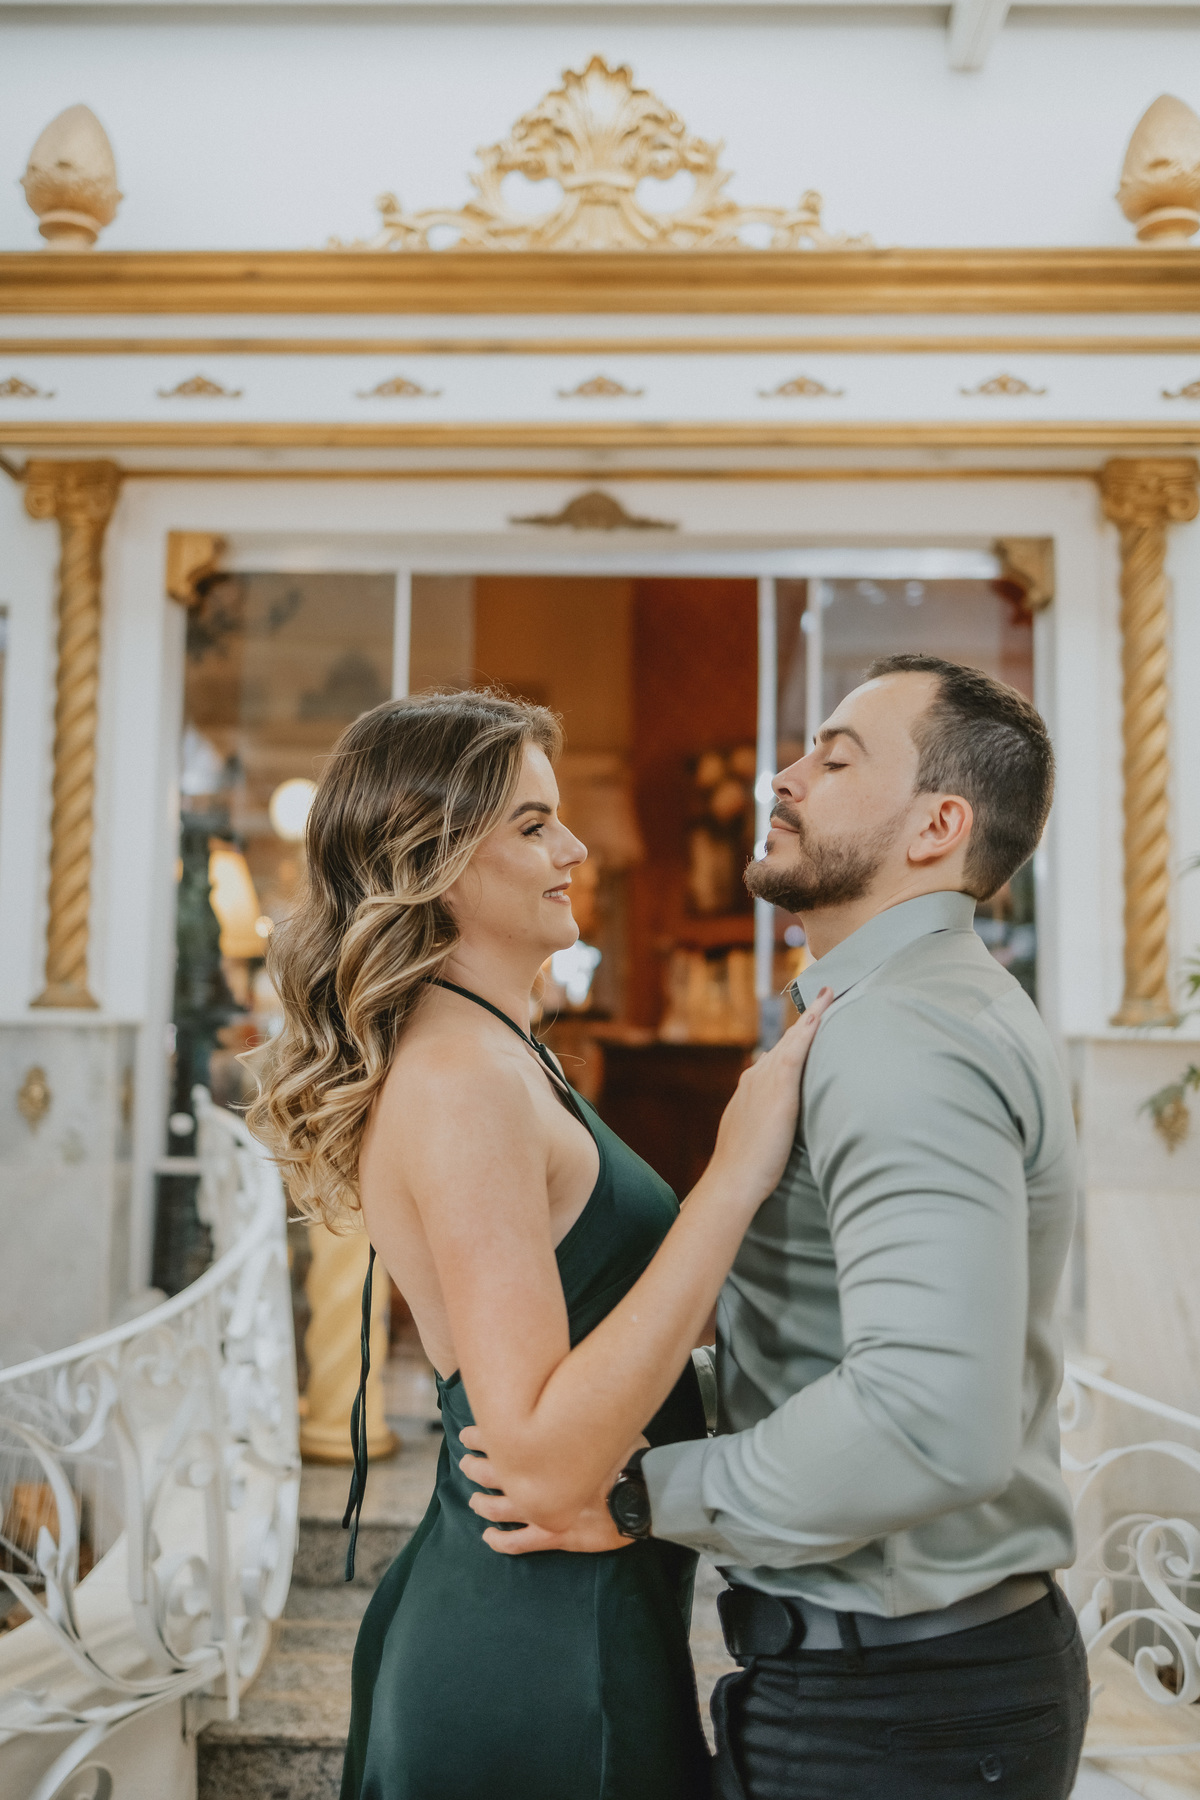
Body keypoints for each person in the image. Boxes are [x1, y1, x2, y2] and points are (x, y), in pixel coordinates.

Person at [468, 655, 1088, 1800]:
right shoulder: (901, 1010)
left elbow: (929, 1422)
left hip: (901, 1713)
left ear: (938, 826)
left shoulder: (906, 1037)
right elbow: (824, 1337)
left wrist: (641, 1492)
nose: (783, 777)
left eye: (835, 760)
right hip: (893, 1689)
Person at [246, 688, 832, 1800]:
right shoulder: (463, 1077)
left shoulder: (499, 1051)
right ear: (433, 859)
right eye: (532, 824)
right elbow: (540, 1462)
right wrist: (734, 1174)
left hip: (574, 1622)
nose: (573, 849)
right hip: (540, 1653)